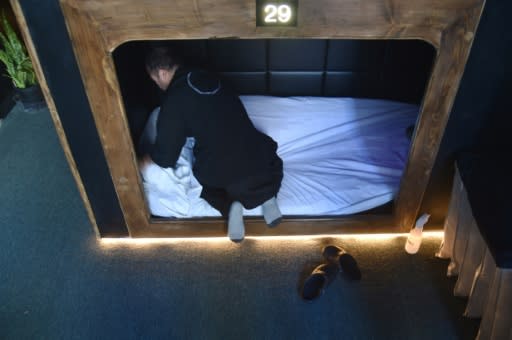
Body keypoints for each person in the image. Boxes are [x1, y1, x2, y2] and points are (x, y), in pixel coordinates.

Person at [139, 45, 283, 242]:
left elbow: (166, 157)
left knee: (206, 184)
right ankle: (268, 198)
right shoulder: (208, 76)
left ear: (162, 73)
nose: (157, 84)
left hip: (222, 171)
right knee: (266, 157)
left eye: (154, 79)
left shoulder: (172, 102)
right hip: (258, 157)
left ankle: (229, 206)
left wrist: (145, 160)